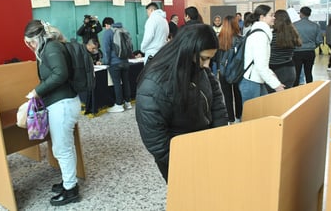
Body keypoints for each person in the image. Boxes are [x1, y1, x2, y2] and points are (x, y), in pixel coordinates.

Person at [135, 24, 229, 183]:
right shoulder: (154, 84)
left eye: (210, 59)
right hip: (178, 157)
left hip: (205, 147)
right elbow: (156, 139)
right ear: (187, 50)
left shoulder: (200, 70)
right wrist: (183, 162)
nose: (207, 65)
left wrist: (218, 140)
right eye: (204, 58)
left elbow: (217, 105)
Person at [23, 20, 81, 206]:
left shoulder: (51, 48)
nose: (30, 47)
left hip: (62, 105)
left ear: (38, 37)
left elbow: (60, 74)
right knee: (65, 147)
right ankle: (68, 181)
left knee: (61, 149)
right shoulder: (51, 47)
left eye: (30, 42)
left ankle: (71, 190)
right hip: (63, 103)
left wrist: (37, 91)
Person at [239, 5, 285, 106]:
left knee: (261, 113)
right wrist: (276, 85)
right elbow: (260, 65)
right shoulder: (260, 36)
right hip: (251, 82)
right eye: (271, 15)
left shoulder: (261, 33)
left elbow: (261, 63)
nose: (274, 17)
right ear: (262, 17)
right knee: (252, 118)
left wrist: (271, 75)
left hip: (256, 80)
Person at [267, 9, 302, 92]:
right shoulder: (293, 34)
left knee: (271, 98)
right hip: (289, 68)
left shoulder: (271, 36)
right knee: (285, 98)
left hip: (274, 71)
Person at [216, 15, 242, 123]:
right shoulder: (240, 39)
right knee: (238, 95)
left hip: (223, 72)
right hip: (237, 72)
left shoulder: (219, 39)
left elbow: (215, 57)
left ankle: (230, 119)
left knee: (227, 97)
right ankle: (238, 117)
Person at [102, 20, 132, 113]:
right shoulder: (124, 30)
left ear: (107, 25)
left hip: (115, 62)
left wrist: (106, 62)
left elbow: (106, 49)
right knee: (126, 82)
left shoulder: (108, 32)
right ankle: (128, 102)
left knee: (117, 83)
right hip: (126, 61)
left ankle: (119, 105)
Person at [292, 6, 323, 86]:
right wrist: (312, 46)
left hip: (297, 52)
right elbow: (319, 41)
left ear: (300, 14)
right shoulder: (315, 26)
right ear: (309, 14)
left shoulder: (294, 25)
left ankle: (295, 92)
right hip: (310, 52)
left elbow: (291, 39)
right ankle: (310, 90)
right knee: (308, 73)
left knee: (296, 74)